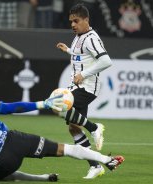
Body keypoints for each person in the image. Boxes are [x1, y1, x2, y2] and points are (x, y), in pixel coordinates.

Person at [56, 4, 113, 179]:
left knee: (59, 105)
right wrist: (69, 50)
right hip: (78, 86)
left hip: (88, 87)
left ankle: (95, 127)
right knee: (74, 128)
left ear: (86, 20)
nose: (73, 25)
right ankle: (95, 166)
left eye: (76, 21)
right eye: (71, 21)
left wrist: (83, 74)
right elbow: (82, 55)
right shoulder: (79, 37)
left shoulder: (91, 38)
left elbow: (106, 61)